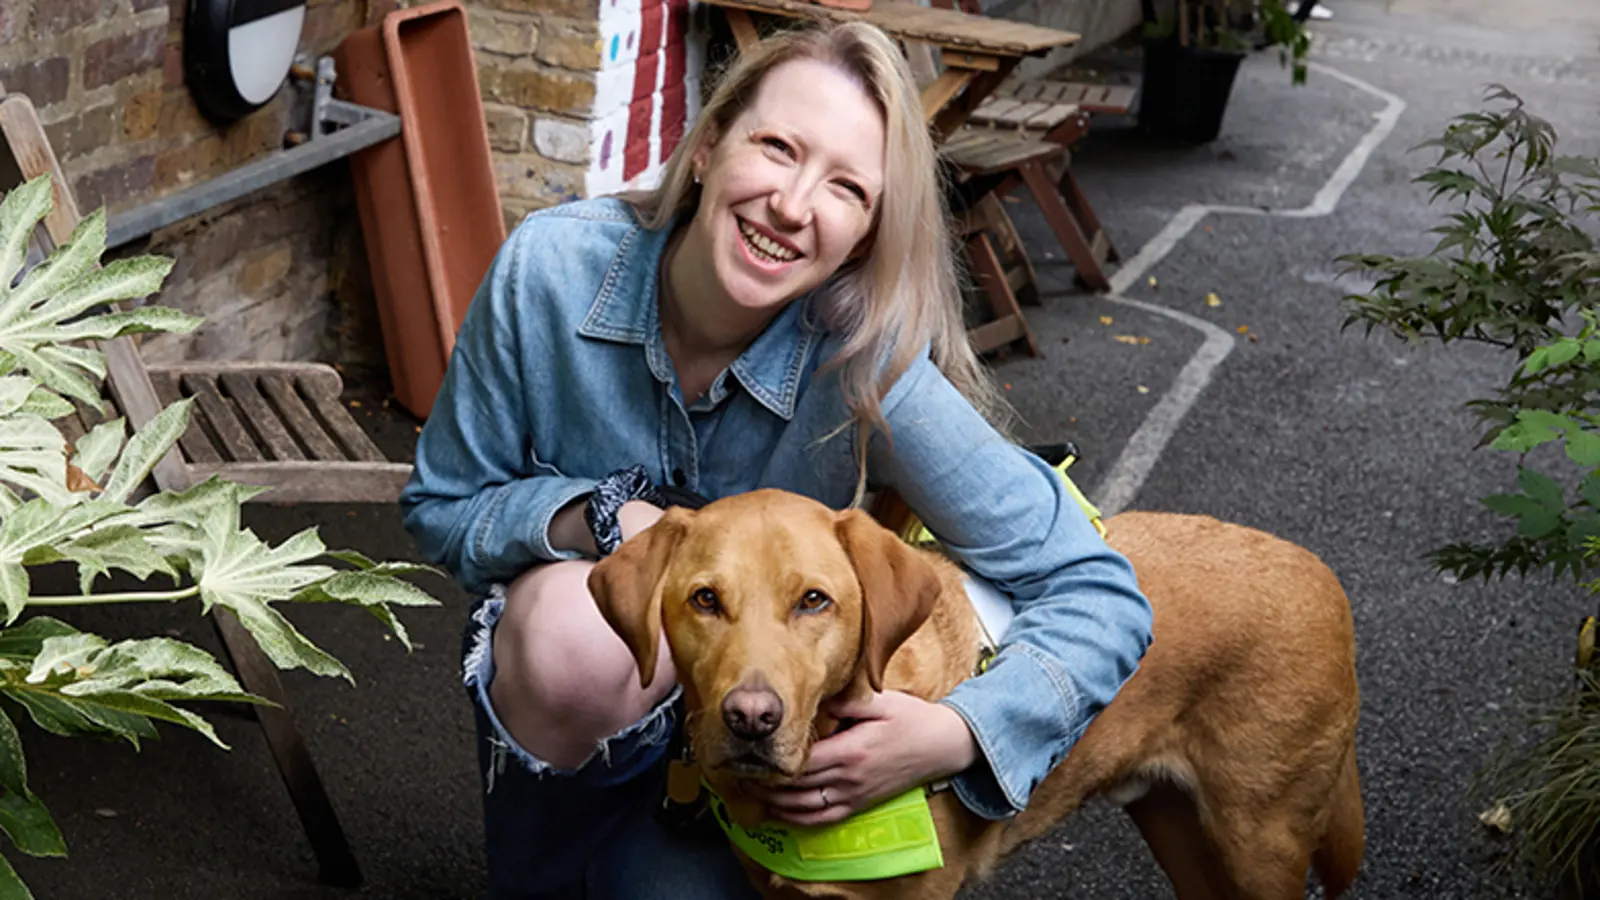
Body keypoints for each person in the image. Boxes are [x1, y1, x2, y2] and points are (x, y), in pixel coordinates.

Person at [400, 20, 1153, 900]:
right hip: (590, 708)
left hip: (777, 746)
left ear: (866, 234)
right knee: (570, 635)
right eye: (776, 147)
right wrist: (598, 519)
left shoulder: (867, 362)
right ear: (709, 145)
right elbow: (444, 503)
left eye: (845, 188)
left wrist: (957, 733)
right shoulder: (551, 272)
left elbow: (1098, 590)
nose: (794, 205)